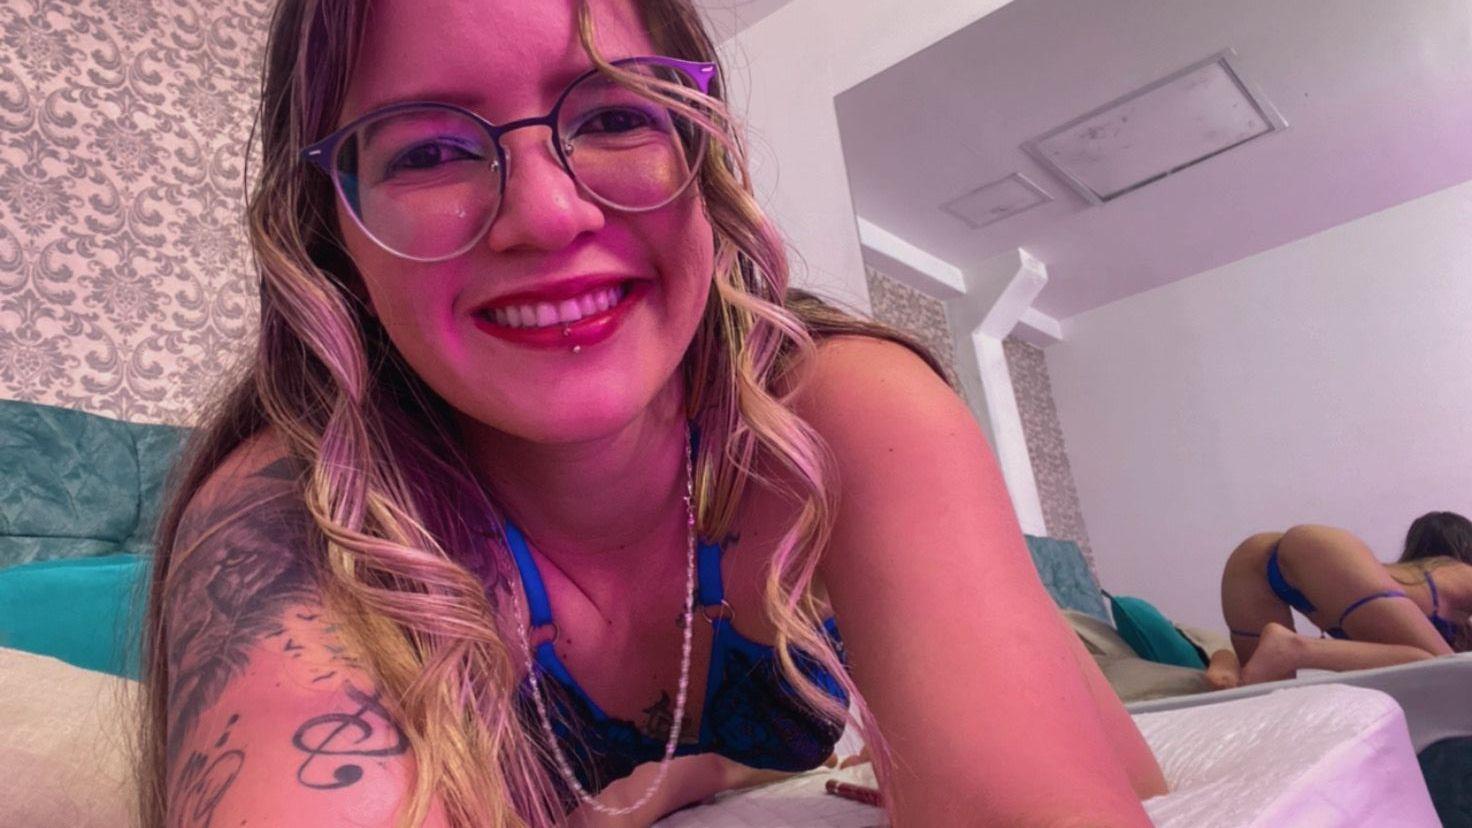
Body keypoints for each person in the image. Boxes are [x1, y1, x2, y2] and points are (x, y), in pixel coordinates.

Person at [136, 1, 1166, 825]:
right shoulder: (301, 513)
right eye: (428, 151)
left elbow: (1112, 782)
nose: (548, 214)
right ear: (332, 238)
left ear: (701, 157)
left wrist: (727, 773)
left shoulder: (847, 414)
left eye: (614, 115)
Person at [1220, 513, 1471, 686]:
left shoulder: (1396, 592)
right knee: (1454, 677)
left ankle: (1227, 662)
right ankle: (1297, 648)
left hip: (1250, 561)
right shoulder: (1460, 575)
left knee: (1267, 698)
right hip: (1318, 547)